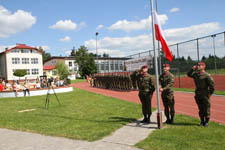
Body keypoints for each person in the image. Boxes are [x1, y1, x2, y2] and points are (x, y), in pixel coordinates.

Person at [187, 62, 215, 127]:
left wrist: (209, 94)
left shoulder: (207, 75)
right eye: (198, 65)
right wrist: (192, 69)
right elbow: (188, 74)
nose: (198, 66)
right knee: (200, 108)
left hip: (205, 93)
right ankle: (202, 121)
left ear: (204, 66)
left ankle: (206, 121)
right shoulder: (196, 74)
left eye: (200, 65)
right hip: (198, 93)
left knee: (206, 108)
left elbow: (212, 86)